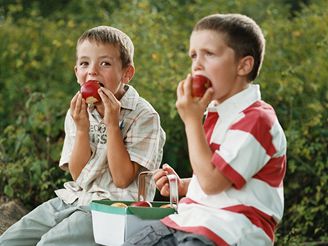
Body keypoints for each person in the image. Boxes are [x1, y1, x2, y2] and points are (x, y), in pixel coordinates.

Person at [123, 13, 287, 246]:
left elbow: (213, 183)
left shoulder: (257, 120)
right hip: (193, 221)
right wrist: (183, 186)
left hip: (231, 228)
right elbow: (219, 178)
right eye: (193, 56)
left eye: (209, 54)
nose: (197, 64)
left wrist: (192, 121)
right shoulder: (218, 114)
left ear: (243, 65)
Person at [0, 26, 165, 246]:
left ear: (127, 73)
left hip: (112, 209)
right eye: (85, 63)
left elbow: (123, 179)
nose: (92, 71)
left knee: (49, 244)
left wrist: (113, 126)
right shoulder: (79, 111)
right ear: (76, 71)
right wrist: (81, 129)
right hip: (74, 199)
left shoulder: (144, 116)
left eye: (105, 63)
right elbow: (77, 175)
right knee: (10, 240)